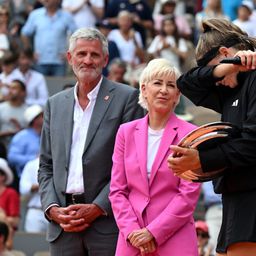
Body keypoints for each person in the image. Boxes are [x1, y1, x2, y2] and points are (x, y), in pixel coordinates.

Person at [38, 27, 144, 256]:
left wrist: (97, 207)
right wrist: (52, 209)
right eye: (81, 54)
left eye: (94, 55)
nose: (88, 60)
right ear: (69, 58)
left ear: (105, 59)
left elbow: (129, 165)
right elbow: (46, 165)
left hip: (107, 223)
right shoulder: (55, 104)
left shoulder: (127, 98)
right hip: (63, 224)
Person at [167, 18, 256, 256]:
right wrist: (224, 68)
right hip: (235, 198)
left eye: (212, 68)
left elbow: (253, 144)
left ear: (225, 51)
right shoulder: (230, 86)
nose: (216, 81)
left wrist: (201, 160)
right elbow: (186, 83)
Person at [109, 58, 201, 255]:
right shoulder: (125, 132)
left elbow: (188, 195)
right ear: (143, 89)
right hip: (132, 240)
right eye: (157, 83)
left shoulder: (191, 134)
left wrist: (153, 232)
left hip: (175, 239)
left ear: (177, 95)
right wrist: (133, 231)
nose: (164, 90)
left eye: (171, 85)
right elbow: (117, 191)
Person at [21, 0, 77, 76]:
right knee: (40, 87)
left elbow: (77, 35)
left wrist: (71, 52)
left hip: (59, 62)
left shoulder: (66, 16)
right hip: (40, 61)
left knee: (59, 87)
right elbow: (24, 33)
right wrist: (30, 53)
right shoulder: (35, 15)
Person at [8, 104, 43, 178]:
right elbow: (12, 157)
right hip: (26, 178)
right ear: (35, 119)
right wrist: (34, 159)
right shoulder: (21, 136)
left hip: (44, 177)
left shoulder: (47, 134)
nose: (45, 117)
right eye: (42, 116)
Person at [19, 156, 47, 233]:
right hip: (36, 211)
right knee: (33, 242)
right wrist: (42, 185)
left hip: (57, 211)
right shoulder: (31, 164)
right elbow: (23, 189)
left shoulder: (59, 162)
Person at [0, 79, 27, 149]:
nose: (10, 91)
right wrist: (7, 133)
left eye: (14, 88)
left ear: (23, 92)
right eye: (9, 88)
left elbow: (33, 135)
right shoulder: (1, 108)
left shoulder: (28, 111)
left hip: (21, 149)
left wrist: (19, 130)